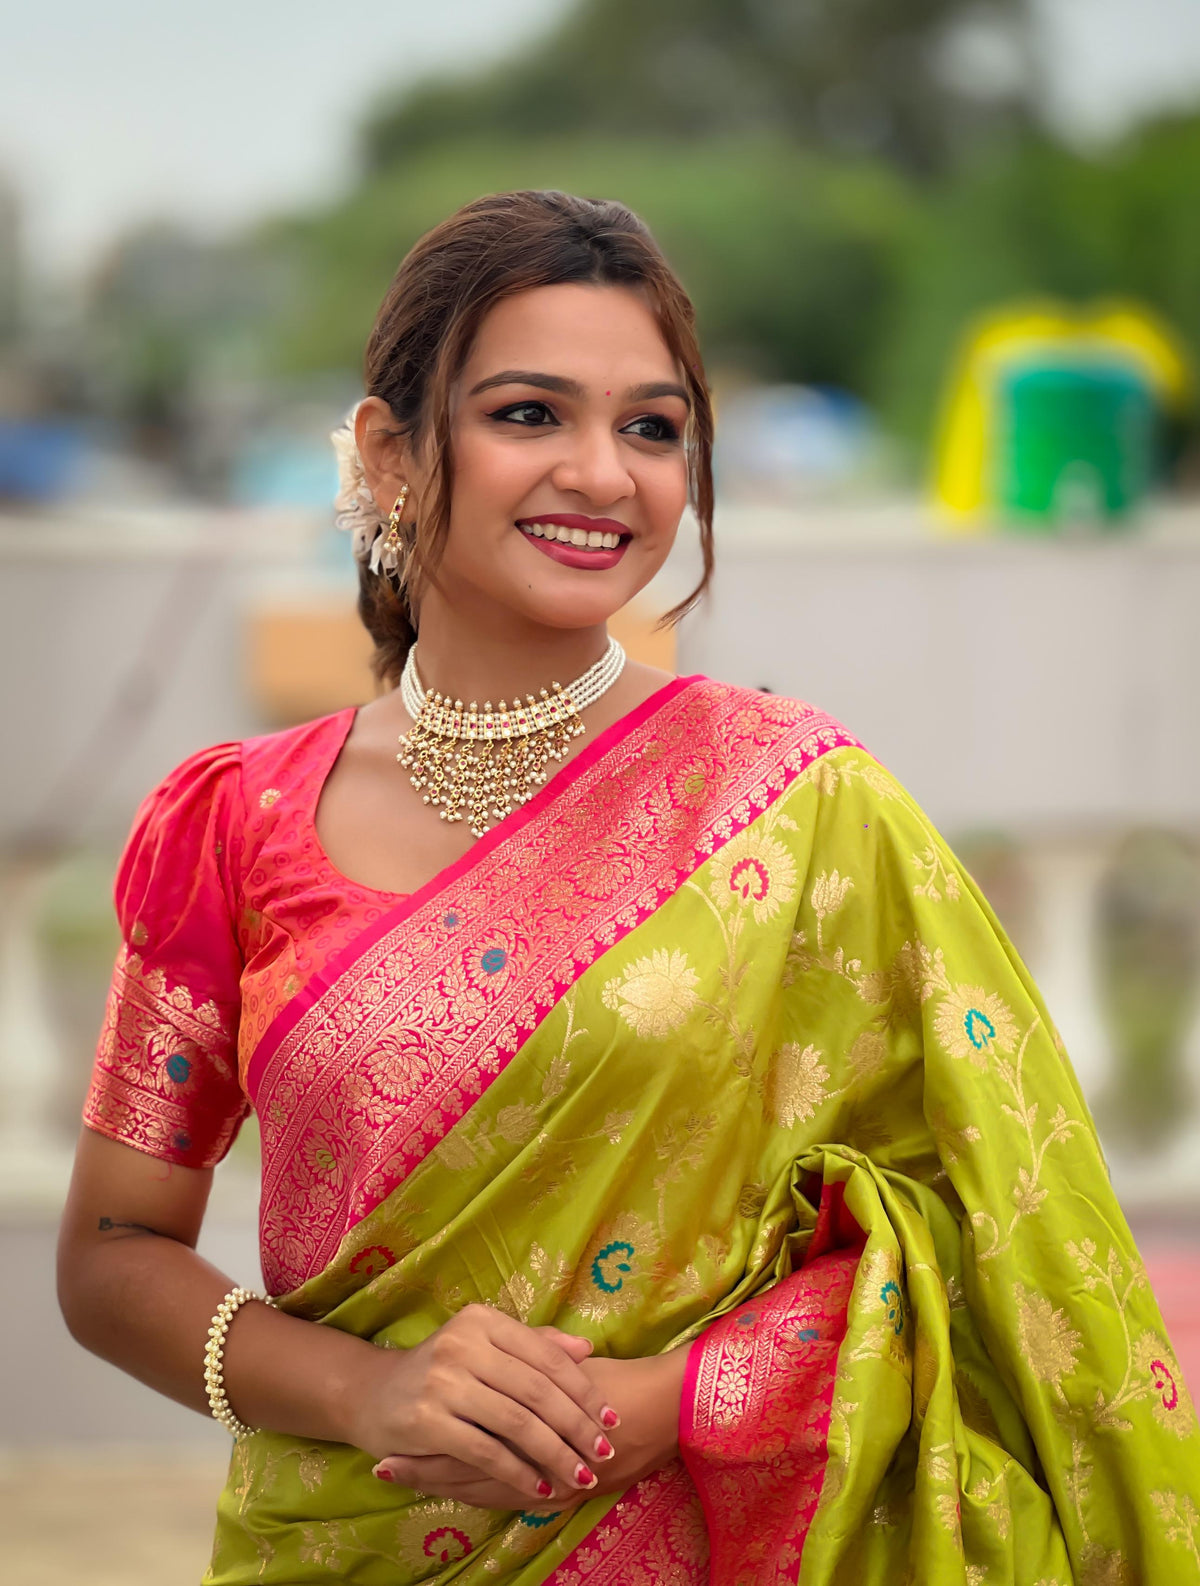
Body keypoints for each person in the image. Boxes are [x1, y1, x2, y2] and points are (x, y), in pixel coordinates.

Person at [59, 189, 1200, 1585]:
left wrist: (663, 1407)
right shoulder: (228, 825)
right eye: (530, 413)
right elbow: (114, 1254)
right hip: (339, 1539)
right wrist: (369, 1392)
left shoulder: (798, 802)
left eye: (653, 427)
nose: (603, 472)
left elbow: (982, 1225)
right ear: (390, 452)